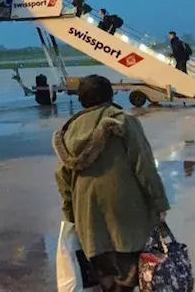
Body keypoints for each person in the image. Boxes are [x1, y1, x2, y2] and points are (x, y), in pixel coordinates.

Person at [53, 75, 170, 291]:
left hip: (87, 216)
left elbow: (63, 179)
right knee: (127, 275)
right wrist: (159, 203)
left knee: (104, 276)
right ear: (110, 94)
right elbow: (143, 165)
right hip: (125, 214)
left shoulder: (67, 132)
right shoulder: (123, 122)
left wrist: (71, 215)